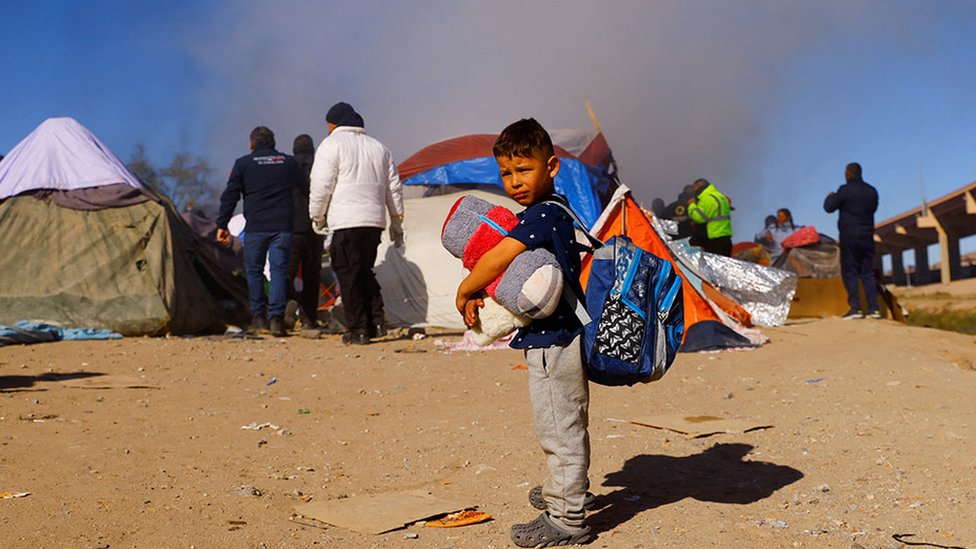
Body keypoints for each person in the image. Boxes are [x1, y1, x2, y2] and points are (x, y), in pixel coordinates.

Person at [455, 118, 592, 547]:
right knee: (556, 425)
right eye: (506, 173)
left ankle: (568, 519)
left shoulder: (545, 213)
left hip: (556, 343)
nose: (514, 182)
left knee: (560, 429)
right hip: (550, 339)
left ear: (551, 165)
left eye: (524, 169)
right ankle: (560, 492)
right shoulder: (550, 211)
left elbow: (500, 258)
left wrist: (465, 288)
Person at [308, 102, 404, 345]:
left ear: (333, 123)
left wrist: (317, 216)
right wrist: (396, 220)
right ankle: (377, 322)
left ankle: (358, 329)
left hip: (345, 221)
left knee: (348, 275)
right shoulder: (379, 147)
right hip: (374, 222)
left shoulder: (331, 145)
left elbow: (321, 185)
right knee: (363, 271)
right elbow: (393, 187)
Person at [217, 126, 300, 337]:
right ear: (273, 142)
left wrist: (222, 224)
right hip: (282, 227)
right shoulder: (288, 162)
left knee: (253, 272)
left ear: (251, 143)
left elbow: (230, 196)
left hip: (256, 227)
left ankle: (258, 317)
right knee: (278, 271)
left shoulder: (243, 164)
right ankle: (277, 318)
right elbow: (306, 188)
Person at [824, 162, 880, 319]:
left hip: (850, 236)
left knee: (851, 272)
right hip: (868, 235)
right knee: (867, 272)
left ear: (848, 174)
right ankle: (874, 309)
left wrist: (830, 197)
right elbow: (873, 209)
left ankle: (855, 308)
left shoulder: (844, 190)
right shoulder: (871, 191)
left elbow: (829, 208)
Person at [287, 134, 325, 329]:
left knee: (287, 272)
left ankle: (289, 307)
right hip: (314, 228)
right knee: (312, 274)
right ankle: (309, 317)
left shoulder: (287, 167)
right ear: (313, 150)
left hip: (291, 229)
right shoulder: (320, 166)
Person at [686, 178, 733, 256]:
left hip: (714, 240)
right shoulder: (721, 196)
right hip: (725, 238)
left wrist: (692, 205)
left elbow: (699, 218)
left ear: (698, 186)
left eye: (694, 188)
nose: (694, 192)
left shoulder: (706, 198)